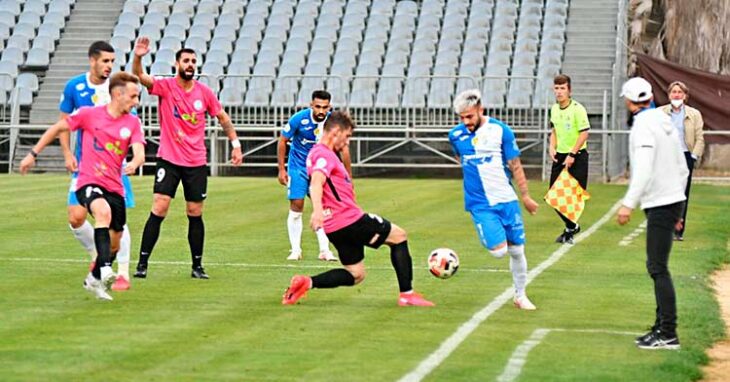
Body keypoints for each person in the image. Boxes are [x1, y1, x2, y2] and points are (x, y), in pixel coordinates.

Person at [281, 111, 434, 307]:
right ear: (336, 131)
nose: (347, 143)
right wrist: (317, 210)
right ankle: (407, 295)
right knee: (399, 237)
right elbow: (317, 181)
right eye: (347, 137)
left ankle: (307, 283)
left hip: (334, 227)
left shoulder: (314, 153)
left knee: (356, 274)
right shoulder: (323, 154)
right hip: (349, 220)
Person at [20, 72, 146, 301]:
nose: (137, 102)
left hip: (115, 185)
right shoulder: (89, 115)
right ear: (118, 94)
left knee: (115, 241)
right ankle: (106, 268)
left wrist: (135, 163)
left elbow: (139, 151)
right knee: (102, 212)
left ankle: (93, 279)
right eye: (134, 96)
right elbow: (58, 128)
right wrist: (32, 153)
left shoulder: (133, 122)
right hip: (87, 180)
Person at [131, 37, 243, 279]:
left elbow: (222, 117)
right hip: (169, 160)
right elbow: (140, 76)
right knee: (159, 208)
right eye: (186, 60)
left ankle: (197, 266)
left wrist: (235, 144)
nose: (191, 64)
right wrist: (138, 56)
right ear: (177, 64)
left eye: (193, 61)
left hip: (195, 163)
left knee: (195, 212)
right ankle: (142, 263)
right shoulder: (166, 87)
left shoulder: (205, 93)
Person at [449, 90, 539, 310]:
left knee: (517, 251)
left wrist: (525, 195)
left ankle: (520, 295)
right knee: (499, 252)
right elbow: (460, 159)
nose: (465, 122)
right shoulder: (455, 135)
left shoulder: (501, 131)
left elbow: (515, 164)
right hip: (480, 204)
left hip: (507, 200)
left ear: (481, 110)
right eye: (461, 117)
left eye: (469, 116)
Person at [57, 41, 135, 290]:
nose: (109, 66)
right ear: (92, 60)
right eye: (105, 61)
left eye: (112, 61)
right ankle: (98, 255)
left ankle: (122, 271)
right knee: (76, 217)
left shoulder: (117, 90)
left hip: (112, 165)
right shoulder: (74, 87)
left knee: (116, 220)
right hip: (85, 166)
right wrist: (68, 153)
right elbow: (64, 123)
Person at [617, 77, 688, 350]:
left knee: (657, 267)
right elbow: (682, 166)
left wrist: (628, 203)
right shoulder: (663, 120)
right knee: (657, 266)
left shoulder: (644, 125)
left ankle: (668, 331)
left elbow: (644, 169)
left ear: (630, 100)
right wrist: (679, 203)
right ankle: (661, 327)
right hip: (671, 200)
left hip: (661, 202)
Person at [277, 90, 350, 262]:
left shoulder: (333, 122)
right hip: (299, 167)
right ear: (311, 105)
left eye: (325, 107)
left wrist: (347, 175)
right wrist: (282, 169)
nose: (321, 111)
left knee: (325, 208)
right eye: (317, 107)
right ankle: (295, 250)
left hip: (322, 169)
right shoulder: (299, 119)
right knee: (297, 205)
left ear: (329, 107)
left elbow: (344, 149)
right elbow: (282, 140)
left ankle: (324, 250)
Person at [548, 74, 590, 244]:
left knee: (574, 196)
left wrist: (572, 154)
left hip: (577, 155)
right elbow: (555, 131)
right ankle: (572, 226)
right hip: (560, 156)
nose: (559, 92)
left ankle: (569, 230)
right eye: (557, 88)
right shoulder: (554, 109)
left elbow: (584, 132)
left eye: (562, 88)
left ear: (569, 90)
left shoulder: (577, 109)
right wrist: (552, 146)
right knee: (553, 196)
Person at [659, 81, 705, 241]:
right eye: (674, 92)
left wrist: (693, 157)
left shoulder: (694, 114)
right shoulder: (661, 112)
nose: (676, 95)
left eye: (679, 92)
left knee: (681, 194)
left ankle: (678, 231)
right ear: (669, 95)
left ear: (685, 96)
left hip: (685, 156)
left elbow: (700, 138)